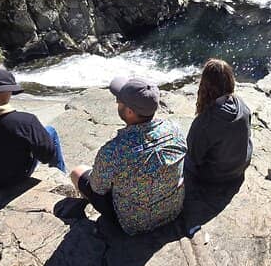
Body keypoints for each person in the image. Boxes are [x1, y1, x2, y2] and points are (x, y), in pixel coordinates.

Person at [68, 76, 187, 235]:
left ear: (130, 111)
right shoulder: (175, 130)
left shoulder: (113, 151)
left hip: (134, 223)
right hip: (173, 209)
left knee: (78, 172)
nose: (117, 102)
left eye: (119, 100)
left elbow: (97, 188)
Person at [185, 59, 252, 183]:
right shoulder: (241, 104)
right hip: (240, 167)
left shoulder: (204, 122)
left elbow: (194, 157)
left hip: (216, 177)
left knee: (184, 157)